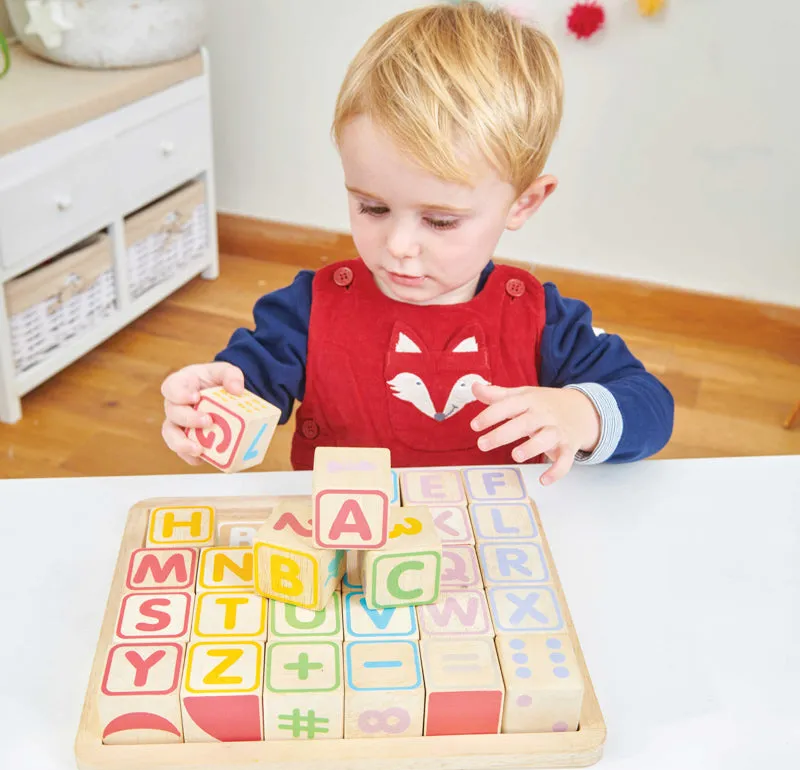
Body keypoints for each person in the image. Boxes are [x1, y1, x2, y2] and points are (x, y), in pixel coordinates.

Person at [160, 1, 673, 485]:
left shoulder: (544, 322)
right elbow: (252, 380)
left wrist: (581, 414)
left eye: (441, 221)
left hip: (492, 544)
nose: (399, 245)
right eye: (373, 208)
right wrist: (214, 395)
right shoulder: (307, 311)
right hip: (355, 551)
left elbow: (651, 406)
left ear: (523, 203)